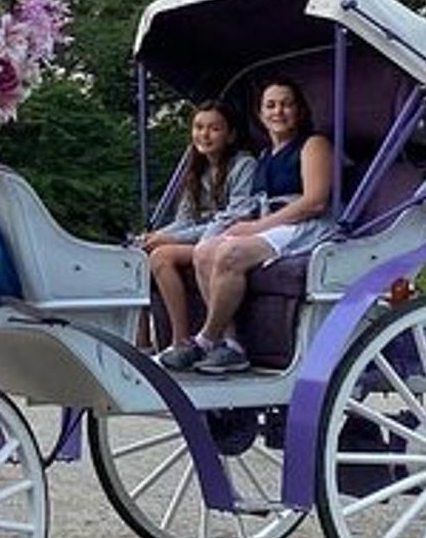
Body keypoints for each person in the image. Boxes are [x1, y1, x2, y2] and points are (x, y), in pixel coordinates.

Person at [169, 77, 337, 375]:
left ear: (299, 111)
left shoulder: (313, 145)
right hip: (272, 224)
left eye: (286, 104)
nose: (278, 112)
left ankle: (205, 339)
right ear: (260, 114)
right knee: (204, 251)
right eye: (270, 105)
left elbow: (315, 202)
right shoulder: (265, 155)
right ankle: (230, 344)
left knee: (230, 253)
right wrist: (241, 225)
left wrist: (257, 227)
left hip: (305, 224)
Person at [144, 103, 254, 366]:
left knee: (162, 255)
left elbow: (233, 218)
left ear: (230, 135)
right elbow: (184, 220)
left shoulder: (244, 165)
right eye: (199, 127)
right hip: (203, 238)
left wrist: (172, 240)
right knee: (141, 254)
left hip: (230, 238)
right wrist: (153, 236)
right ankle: (151, 342)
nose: (204, 135)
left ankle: (183, 342)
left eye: (214, 129)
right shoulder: (197, 169)